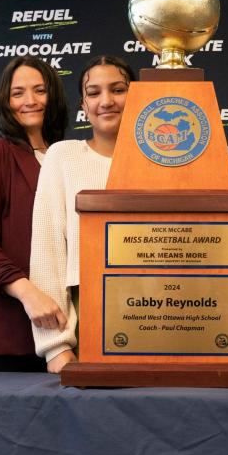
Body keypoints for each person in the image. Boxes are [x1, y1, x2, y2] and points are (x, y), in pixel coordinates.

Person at [0, 57, 69, 372]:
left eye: (40, 90)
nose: (30, 101)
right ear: (5, 102)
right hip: (7, 336)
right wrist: (29, 294)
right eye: (18, 93)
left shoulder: (68, 156)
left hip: (69, 332)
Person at [30, 56, 135, 373]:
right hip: (88, 313)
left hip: (162, 312)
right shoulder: (63, 156)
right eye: (94, 92)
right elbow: (48, 250)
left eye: (118, 89)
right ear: (83, 105)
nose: (106, 101)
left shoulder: (166, 160)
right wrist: (55, 346)